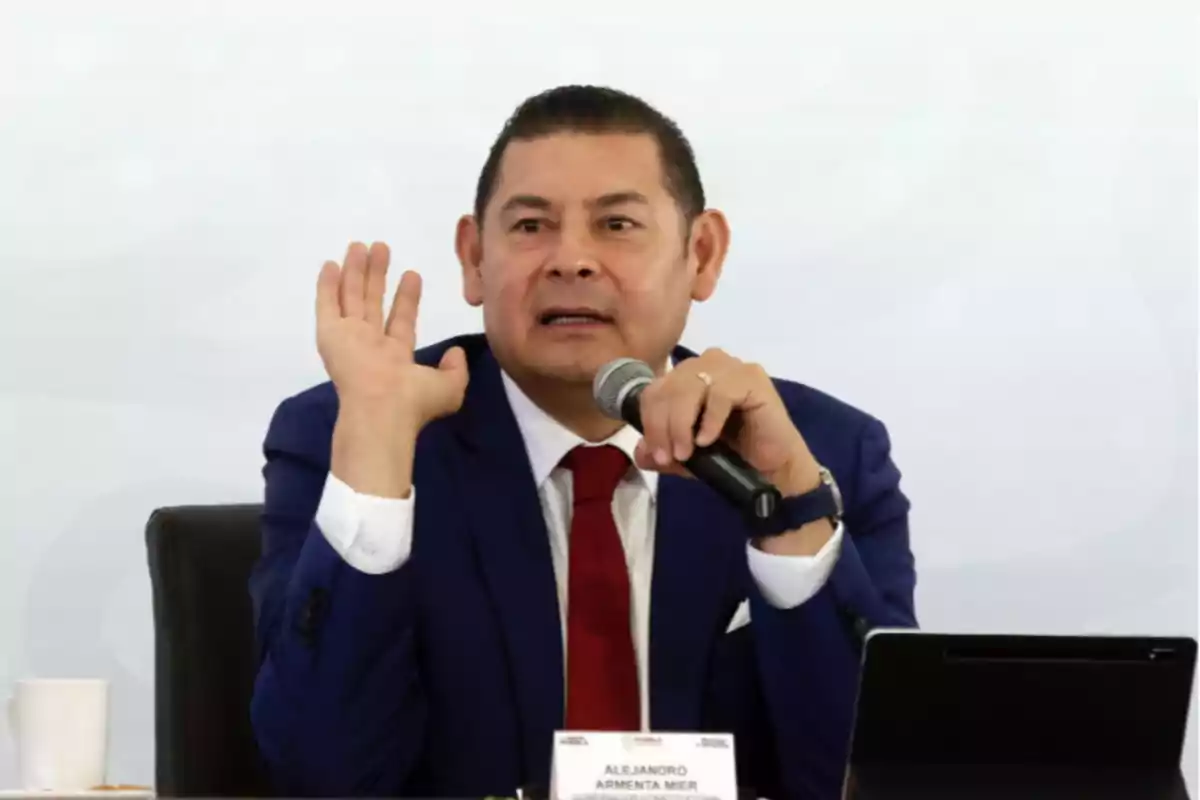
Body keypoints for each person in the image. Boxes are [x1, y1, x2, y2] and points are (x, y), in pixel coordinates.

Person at [248, 84, 917, 800]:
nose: (571, 260)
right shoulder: (353, 431)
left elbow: (871, 781)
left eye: (618, 224)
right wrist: (375, 463)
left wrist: (785, 511)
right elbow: (324, 775)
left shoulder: (817, 454)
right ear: (474, 259)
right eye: (531, 226)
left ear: (703, 254)